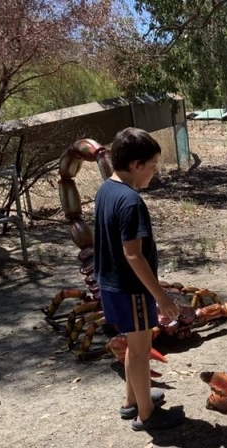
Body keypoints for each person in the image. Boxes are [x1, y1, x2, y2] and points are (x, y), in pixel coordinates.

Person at [94, 127, 185, 431]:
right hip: (131, 289)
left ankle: (131, 400)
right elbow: (133, 254)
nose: (154, 173)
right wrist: (162, 296)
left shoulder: (106, 189)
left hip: (110, 284)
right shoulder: (132, 202)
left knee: (134, 344)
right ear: (136, 165)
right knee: (142, 348)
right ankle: (147, 414)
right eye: (153, 166)